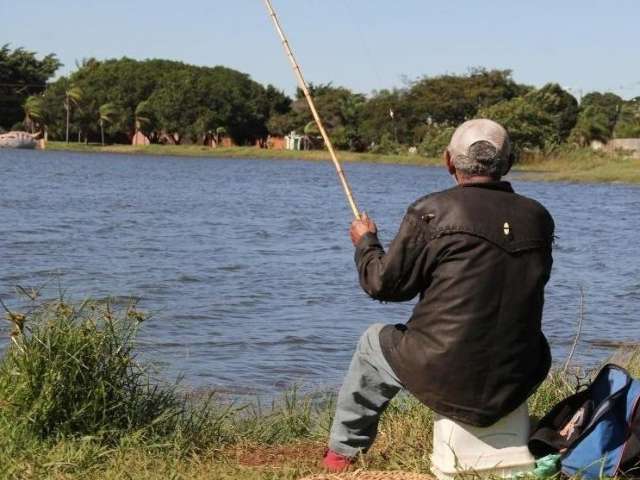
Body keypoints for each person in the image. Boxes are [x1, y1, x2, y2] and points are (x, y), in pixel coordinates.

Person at [323, 119, 555, 472]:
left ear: (449, 161)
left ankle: (342, 454)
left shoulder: (430, 213)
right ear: (510, 162)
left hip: (442, 366)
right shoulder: (539, 218)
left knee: (373, 342)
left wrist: (366, 242)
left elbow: (383, 285)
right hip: (519, 369)